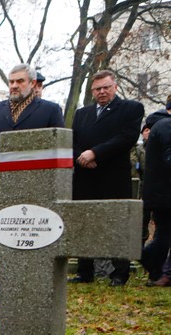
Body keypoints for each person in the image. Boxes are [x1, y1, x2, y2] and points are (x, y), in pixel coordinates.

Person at [0, 63, 64, 287]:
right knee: (0, 225)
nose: (14, 86)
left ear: (32, 84)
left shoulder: (50, 110)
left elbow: (59, 148)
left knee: (31, 227)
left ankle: (33, 274)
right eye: (11, 82)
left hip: (37, 183)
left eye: (19, 81)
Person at [69, 69, 144, 287]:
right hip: (84, 176)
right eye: (97, 89)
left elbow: (126, 137)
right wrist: (81, 157)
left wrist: (96, 153)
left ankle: (119, 273)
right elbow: (72, 140)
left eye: (106, 87)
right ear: (92, 91)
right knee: (84, 223)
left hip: (113, 176)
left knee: (115, 224)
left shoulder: (131, 108)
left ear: (115, 87)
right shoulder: (82, 113)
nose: (102, 92)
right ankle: (85, 271)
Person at [140, 105, 171, 287]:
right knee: (164, 233)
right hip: (165, 191)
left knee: (164, 232)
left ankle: (156, 270)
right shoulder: (167, 125)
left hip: (159, 191)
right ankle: (152, 264)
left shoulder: (159, 124)